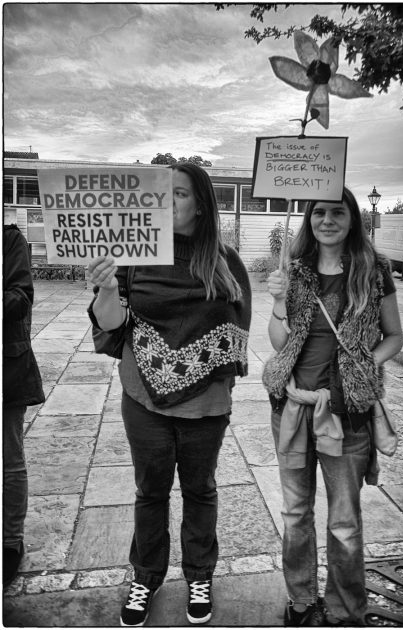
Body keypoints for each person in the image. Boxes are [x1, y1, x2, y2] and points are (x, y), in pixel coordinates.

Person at [87, 163, 251, 627]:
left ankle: (200, 574)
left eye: (177, 194)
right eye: (162, 193)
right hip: (144, 399)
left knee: (200, 491)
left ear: (199, 204)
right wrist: (104, 287)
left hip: (206, 404)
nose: (166, 201)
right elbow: (113, 323)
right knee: (151, 491)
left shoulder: (225, 260)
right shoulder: (134, 255)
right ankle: (146, 576)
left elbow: (236, 332)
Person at [262, 187, 403, 627]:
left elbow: (394, 337)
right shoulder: (294, 270)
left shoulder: (374, 270)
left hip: (348, 414)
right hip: (294, 409)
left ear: (352, 218)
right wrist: (278, 301)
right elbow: (281, 343)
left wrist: (364, 362)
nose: (327, 220)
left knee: (344, 521)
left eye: (337, 212)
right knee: (295, 513)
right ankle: (301, 600)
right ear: (308, 219)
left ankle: (345, 609)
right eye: (318, 212)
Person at [3, 224, 45, 588]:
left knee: (7, 460)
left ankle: (8, 543)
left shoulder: (8, 239)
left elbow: (19, 298)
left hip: (5, 365)